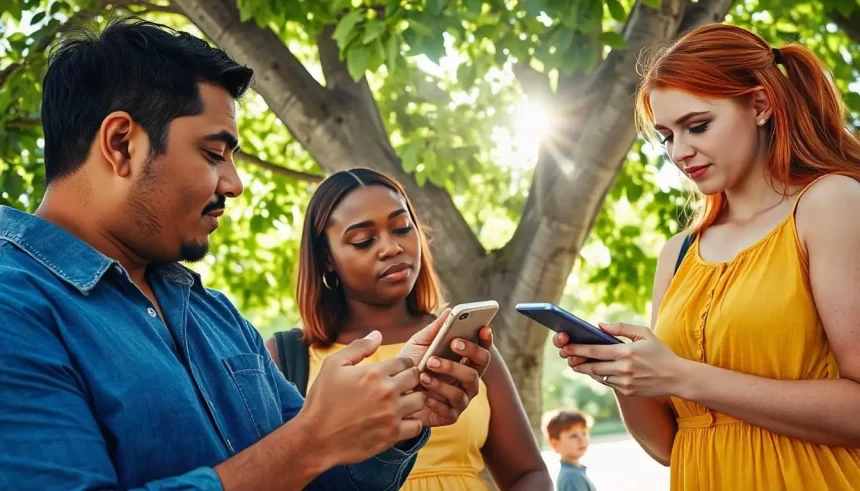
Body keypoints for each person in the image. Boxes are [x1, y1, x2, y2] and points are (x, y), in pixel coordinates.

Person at [0, 18, 493, 490]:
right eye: (215, 154)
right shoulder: (15, 305)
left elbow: (313, 477)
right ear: (121, 143)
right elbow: (302, 452)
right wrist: (309, 443)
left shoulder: (215, 315)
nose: (234, 184)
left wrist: (393, 413)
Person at [553, 23, 860, 491]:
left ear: (760, 105)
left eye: (697, 126)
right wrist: (623, 374)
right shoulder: (677, 254)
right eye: (666, 136)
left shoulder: (830, 204)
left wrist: (684, 376)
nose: (680, 152)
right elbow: (670, 446)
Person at [266, 168, 553, 490]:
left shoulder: (462, 342)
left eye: (402, 228)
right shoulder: (284, 357)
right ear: (327, 258)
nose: (391, 247)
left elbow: (528, 473)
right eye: (363, 240)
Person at [542, 409, 597, 491]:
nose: (582, 440)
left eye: (584, 433)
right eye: (573, 436)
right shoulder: (572, 477)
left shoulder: (574, 473)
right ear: (555, 443)